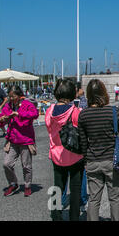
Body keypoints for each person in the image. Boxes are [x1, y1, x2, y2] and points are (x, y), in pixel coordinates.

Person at [78, 79, 119, 221]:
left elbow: (83, 142)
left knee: (94, 199)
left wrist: (85, 160)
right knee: (115, 198)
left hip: (92, 160)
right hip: (112, 160)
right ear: (104, 93)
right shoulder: (114, 112)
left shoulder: (83, 115)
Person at [45, 79, 84, 221]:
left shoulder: (50, 111)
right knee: (75, 189)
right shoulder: (75, 111)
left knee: (57, 188)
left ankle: (56, 216)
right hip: (75, 155)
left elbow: (49, 129)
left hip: (56, 155)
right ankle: (74, 216)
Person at [0, 85, 39, 197]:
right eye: (9, 96)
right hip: (12, 139)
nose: (11, 98)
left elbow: (35, 114)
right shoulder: (8, 106)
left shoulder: (27, 104)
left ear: (19, 95)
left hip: (25, 139)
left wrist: (19, 114)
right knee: (6, 164)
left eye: (13, 96)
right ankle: (13, 183)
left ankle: (27, 185)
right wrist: (1, 120)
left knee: (26, 165)